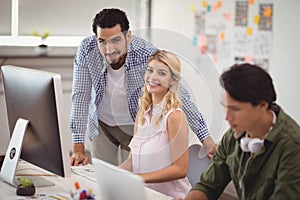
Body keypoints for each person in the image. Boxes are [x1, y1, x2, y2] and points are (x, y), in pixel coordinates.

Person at [69, 8, 215, 166]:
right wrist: (78, 149)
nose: (109, 50)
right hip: (101, 124)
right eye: (102, 41)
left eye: (116, 40)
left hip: (133, 123)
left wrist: (205, 139)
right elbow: (80, 97)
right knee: (103, 176)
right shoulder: (87, 49)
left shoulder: (145, 54)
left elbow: (178, 94)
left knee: (133, 176)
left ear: (128, 36)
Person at [181, 63, 300, 200]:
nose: (227, 117)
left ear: (262, 105)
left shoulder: (293, 147)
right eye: (225, 107)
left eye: (235, 109)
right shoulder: (233, 136)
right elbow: (207, 186)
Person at [119, 50, 191, 198]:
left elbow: (180, 169)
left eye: (162, 73)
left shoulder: (174, 116)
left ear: (173, 80)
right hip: (146, 194)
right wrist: (111, 174)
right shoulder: (142, 115)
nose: (153, 77)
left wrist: (139, 178)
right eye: (150, 71)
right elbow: (132, 161)